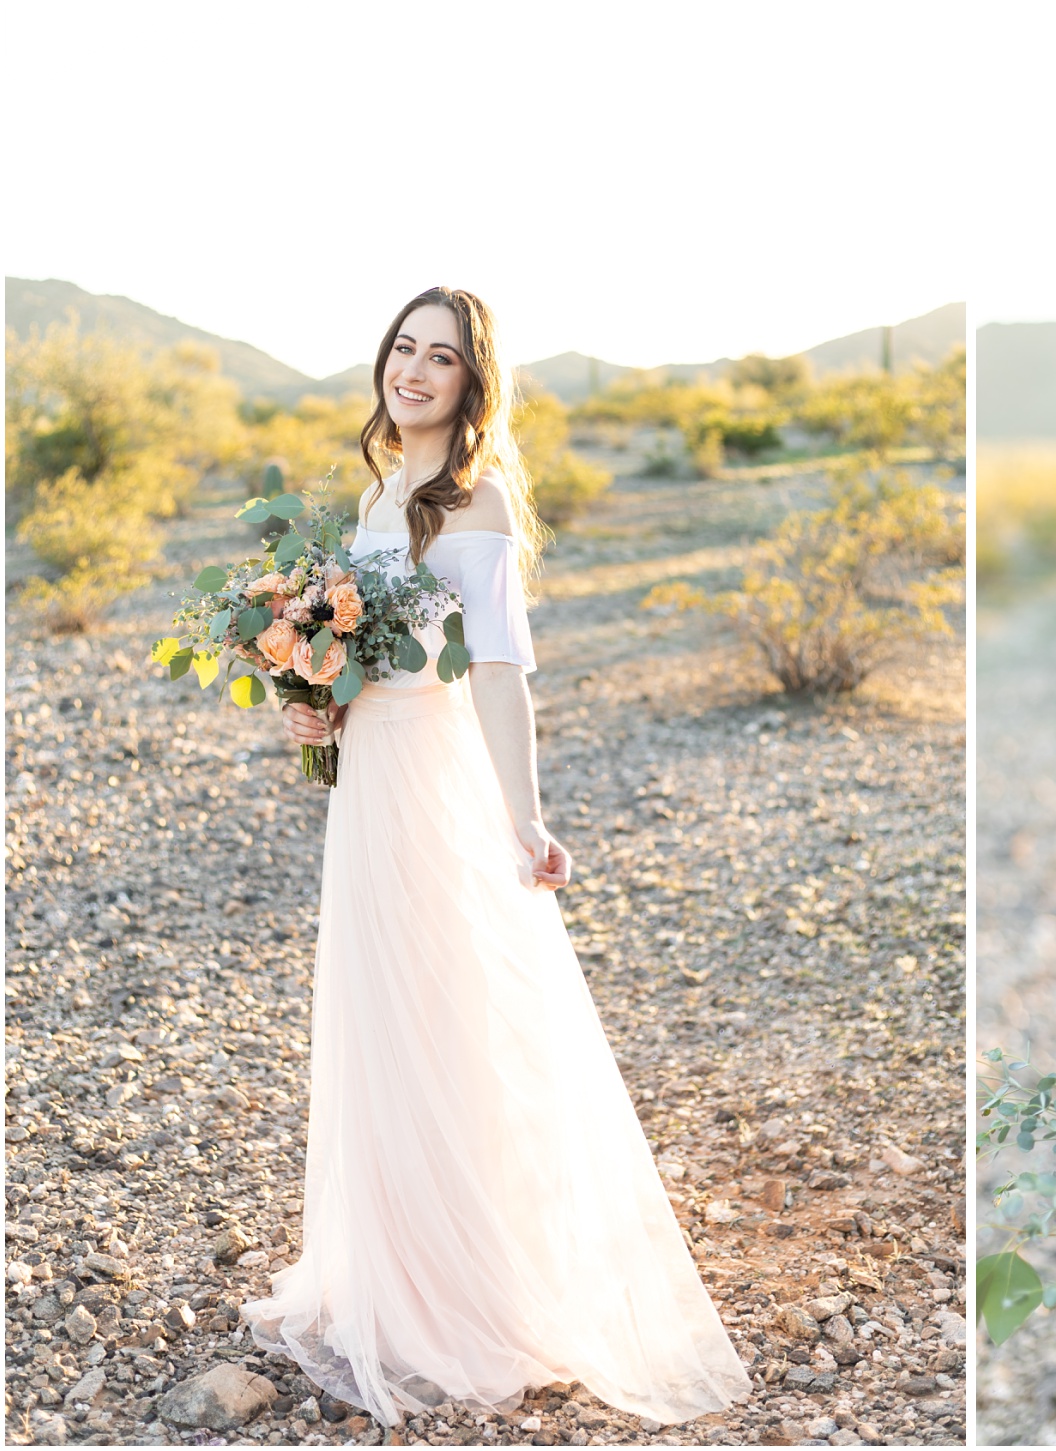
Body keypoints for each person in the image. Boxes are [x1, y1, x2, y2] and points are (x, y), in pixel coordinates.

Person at [249, 286, 751, 1429]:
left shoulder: (478, 501)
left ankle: (470, 1289)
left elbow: (497, 668)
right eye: (405, 349)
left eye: (443, 358)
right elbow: (364, 655)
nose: (415, 372)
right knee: (380, 1013)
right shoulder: (376, 493)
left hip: (435, 785)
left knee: (450, 1015)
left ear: (474, 383)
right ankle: (385, 1266)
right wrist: (315, 698)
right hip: (364, 781)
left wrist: (525, 816)